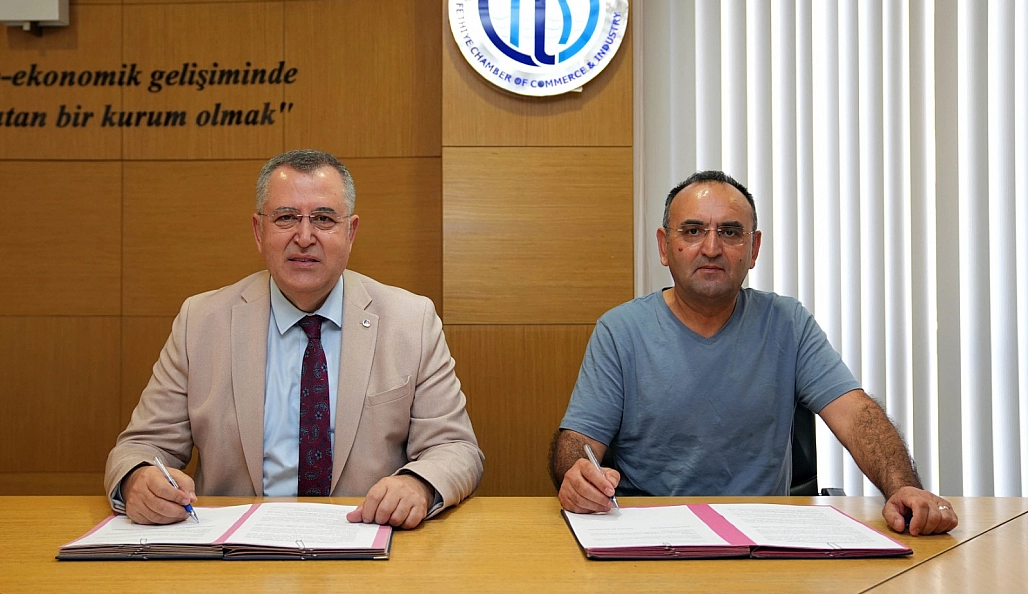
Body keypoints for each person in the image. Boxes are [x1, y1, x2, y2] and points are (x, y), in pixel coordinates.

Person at [549, 171, 958, 537]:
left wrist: (904, 487)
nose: (711, 247)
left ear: (754, 248)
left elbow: (856, 414)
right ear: (664, 245)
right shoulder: (620, 330)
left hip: (763, 537)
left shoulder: (787, 323)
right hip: (651, 533)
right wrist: (576, 476)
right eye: (692, 231)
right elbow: (579, 440)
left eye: (730, 232)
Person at [106, 149, 483, 529]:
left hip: (365, 538)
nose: (304, 238)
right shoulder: (201, 322)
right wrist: (139, 480)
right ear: (259, 231)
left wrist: (418, 485)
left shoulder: (411, 321)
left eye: (324, 219)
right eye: (286, 218)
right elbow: (142, 447)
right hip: (236, 546)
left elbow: (455, 448)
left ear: (350, 233)